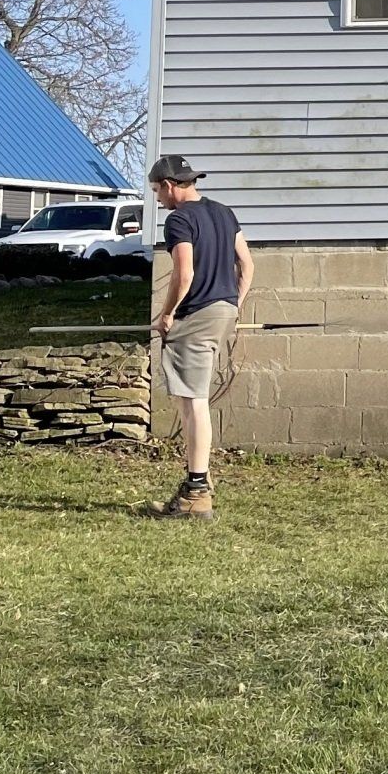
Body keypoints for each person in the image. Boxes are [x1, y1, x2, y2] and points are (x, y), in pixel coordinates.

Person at [148, 155, 252, 519]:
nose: (158, 199)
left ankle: (197, 492)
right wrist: (232, 307)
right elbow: (248, 265)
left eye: (158, 191)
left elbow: (185, 274)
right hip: (223, 310)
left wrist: (167, 314)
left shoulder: (179, 220)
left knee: (193, 402)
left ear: (171, 185)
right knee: (190, 399)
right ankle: (198, 481)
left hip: (196, 316)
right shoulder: (225, 213)